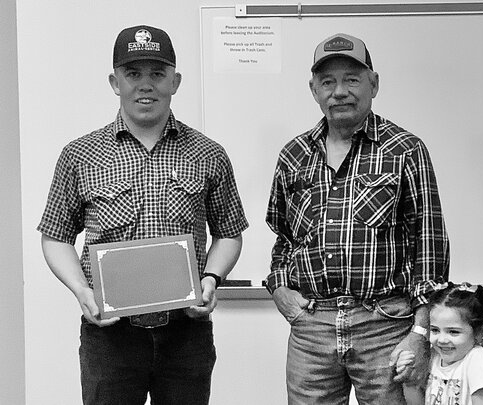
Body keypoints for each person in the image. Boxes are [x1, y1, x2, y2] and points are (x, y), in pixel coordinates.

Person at [38, 25, 248, 404]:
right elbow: (55, 237)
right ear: (115, 82)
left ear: (175, 81)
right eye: (133, 74)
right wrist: (82, 292)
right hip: (110, 337)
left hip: (186, 333)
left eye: (157, 73)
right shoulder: (79, 155)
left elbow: (229, 232)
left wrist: (212, 278)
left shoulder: (209, 153)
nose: (145, 85)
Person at [265, 32, 450, 404]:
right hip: (312, 328)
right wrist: (280, 287)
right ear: (314, 89)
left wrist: (421, 329)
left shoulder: (405, 151)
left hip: (385, 325)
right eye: (328, 82)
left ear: (374, 84)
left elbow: (429, 245)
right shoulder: (294, 154)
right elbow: (284, 236)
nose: (339, 91)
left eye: (352, 79)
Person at [405, 282, 483, 405]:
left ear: (479, 332)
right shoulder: (434, 356)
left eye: (453, 332)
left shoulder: (477, 358)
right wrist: (409, 376)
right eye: (435, 330)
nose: (442, 340)